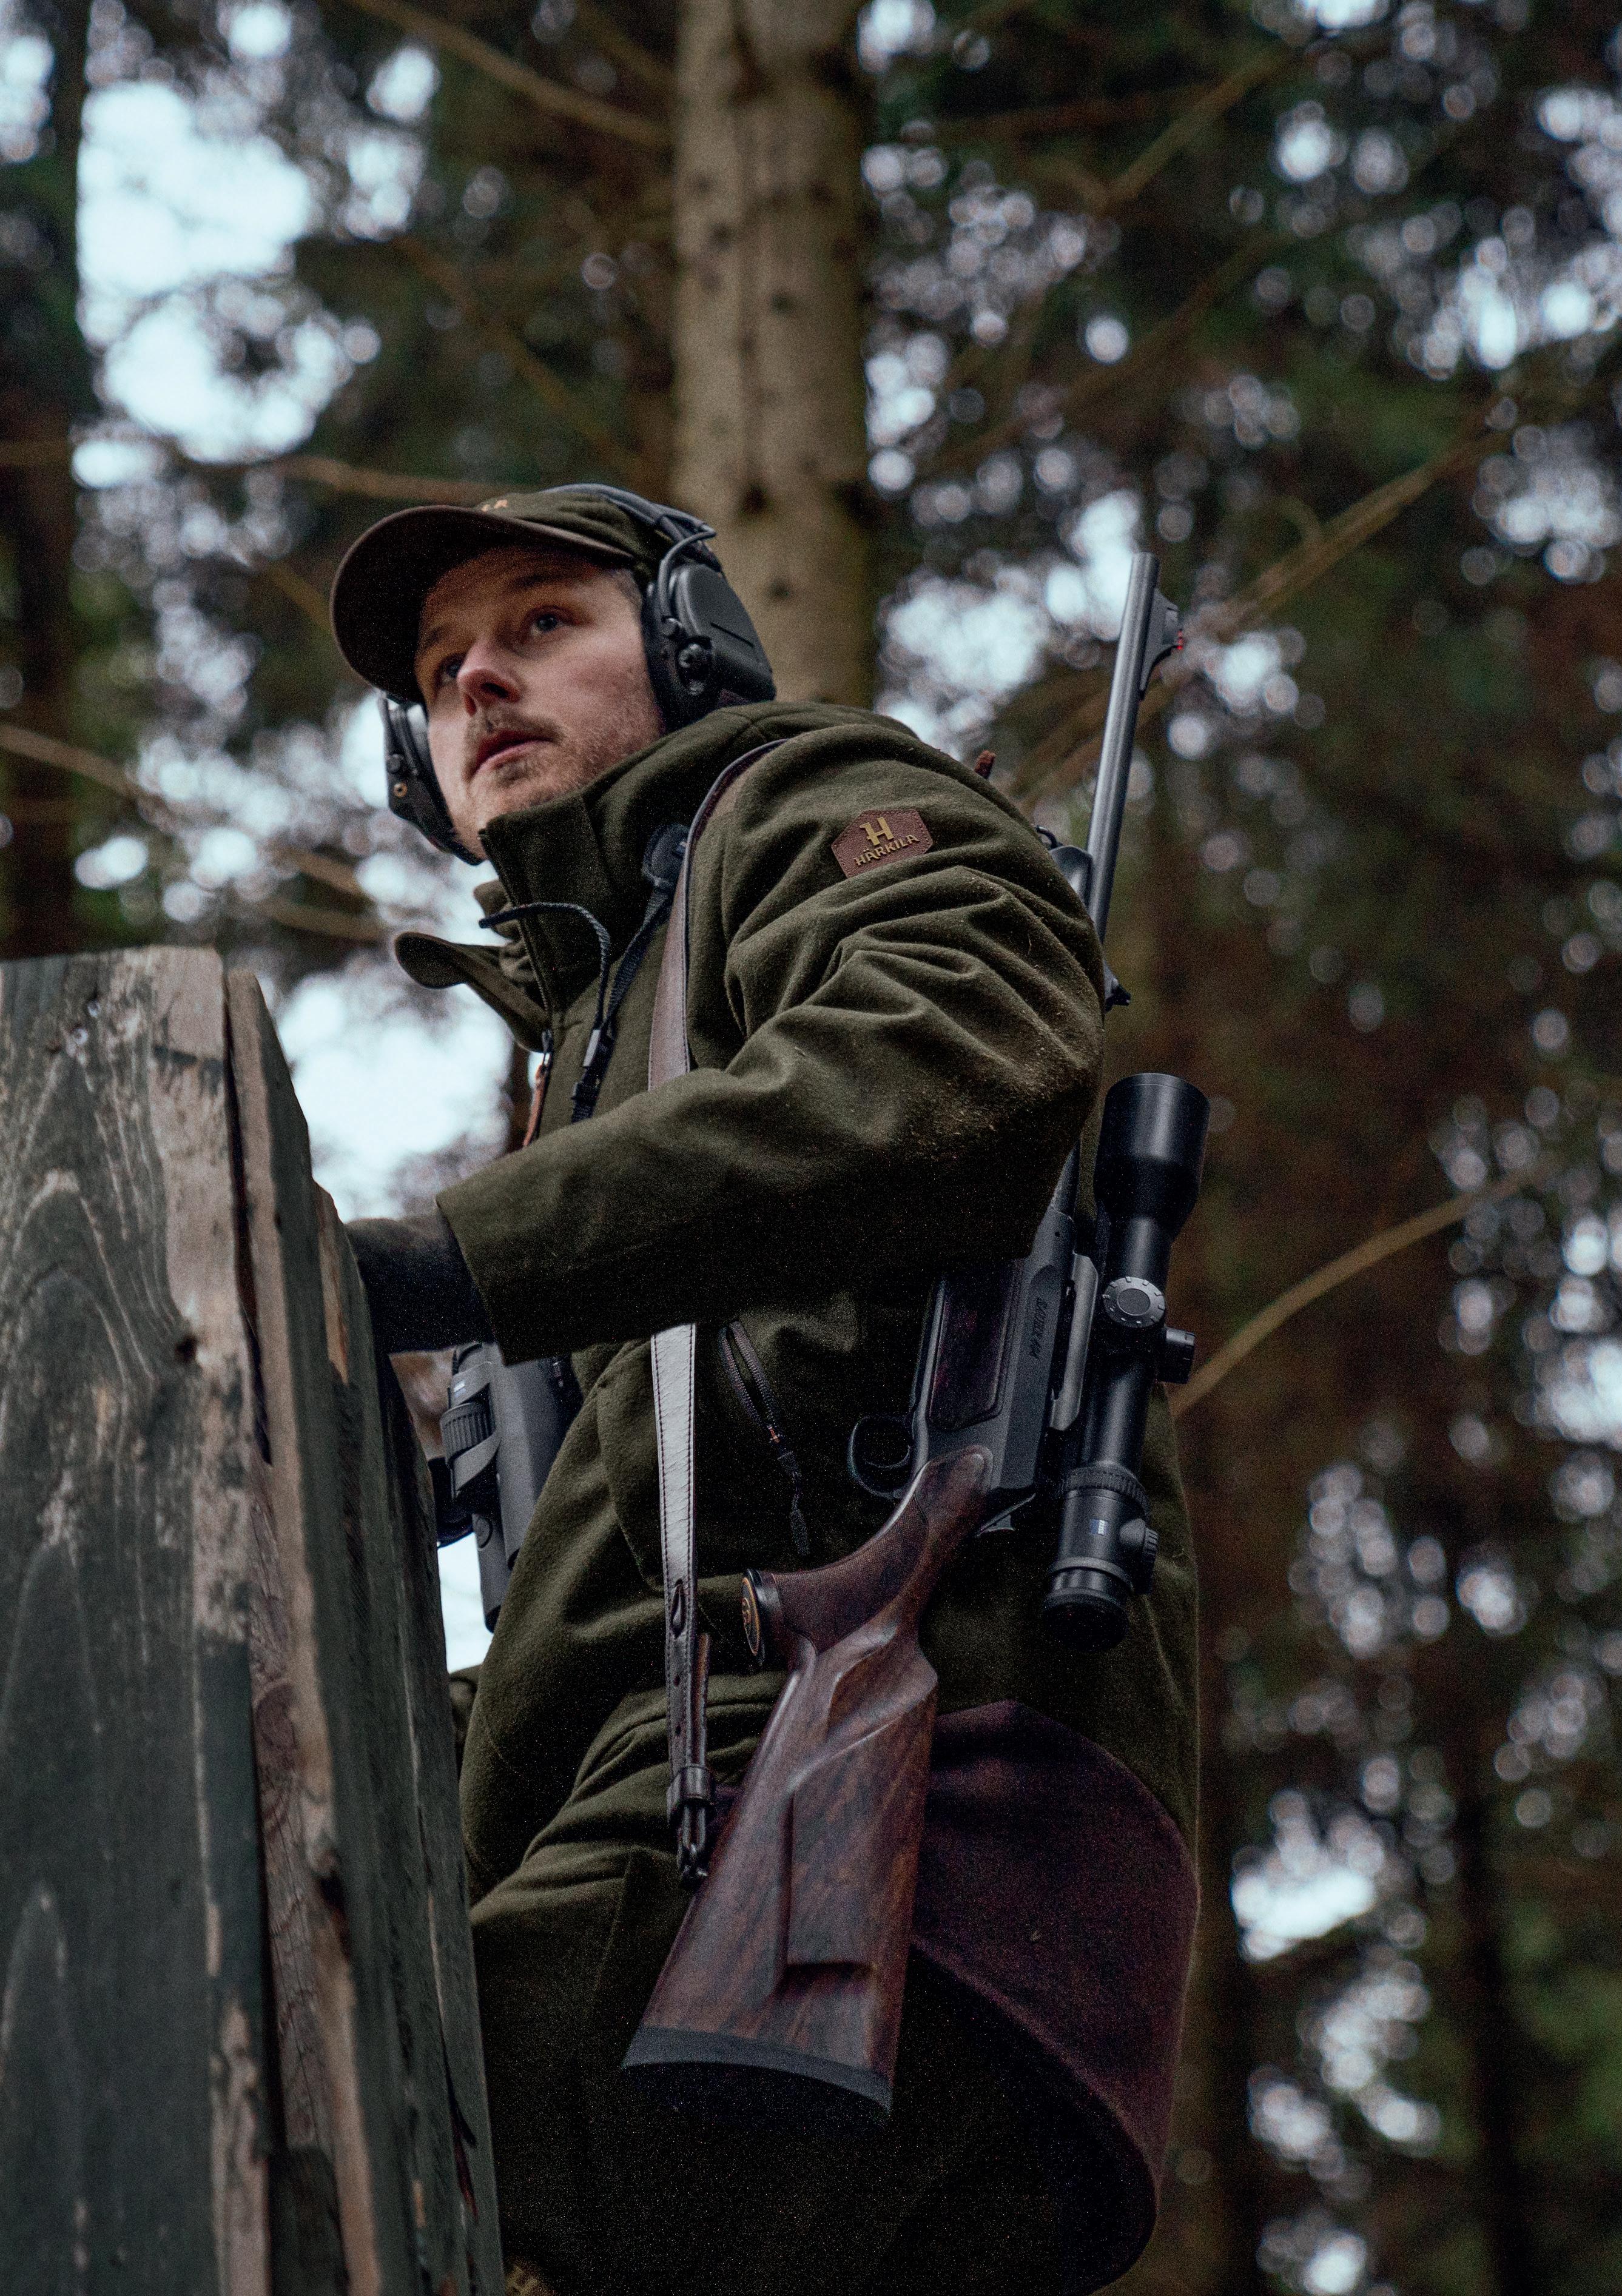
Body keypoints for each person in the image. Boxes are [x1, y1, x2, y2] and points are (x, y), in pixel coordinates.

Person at [331, 484, 1199, 2296]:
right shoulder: (598, 1047)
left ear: (689, 644)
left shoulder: (794, 797)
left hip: (853, 1822)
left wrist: (436, 1263)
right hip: (713, 1848)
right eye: (438, 667)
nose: (476, 680)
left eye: (542, 621)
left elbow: (948, 1040)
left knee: (299, 2109)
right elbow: (588, 1608)